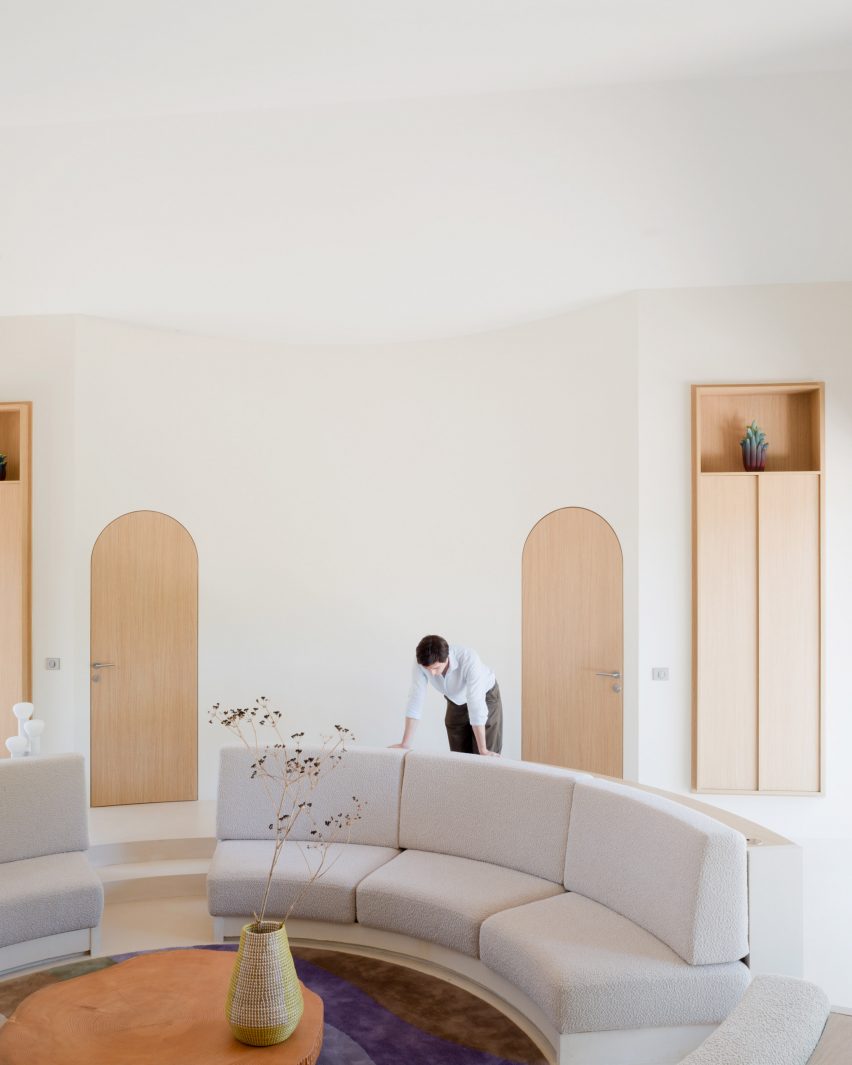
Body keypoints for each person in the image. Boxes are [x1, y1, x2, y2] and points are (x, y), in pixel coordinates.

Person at [390, 634, 503, 756]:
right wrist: (405, 744)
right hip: (455, 699)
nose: (432, 674)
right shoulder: (421, 662)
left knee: (484, 757)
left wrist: (483, 750)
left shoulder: (469, 658)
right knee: (459, 757)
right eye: (428, 669)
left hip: (485, 696)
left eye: (436, 668)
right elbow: (416, 698)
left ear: (446, 659)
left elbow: (476, 703)